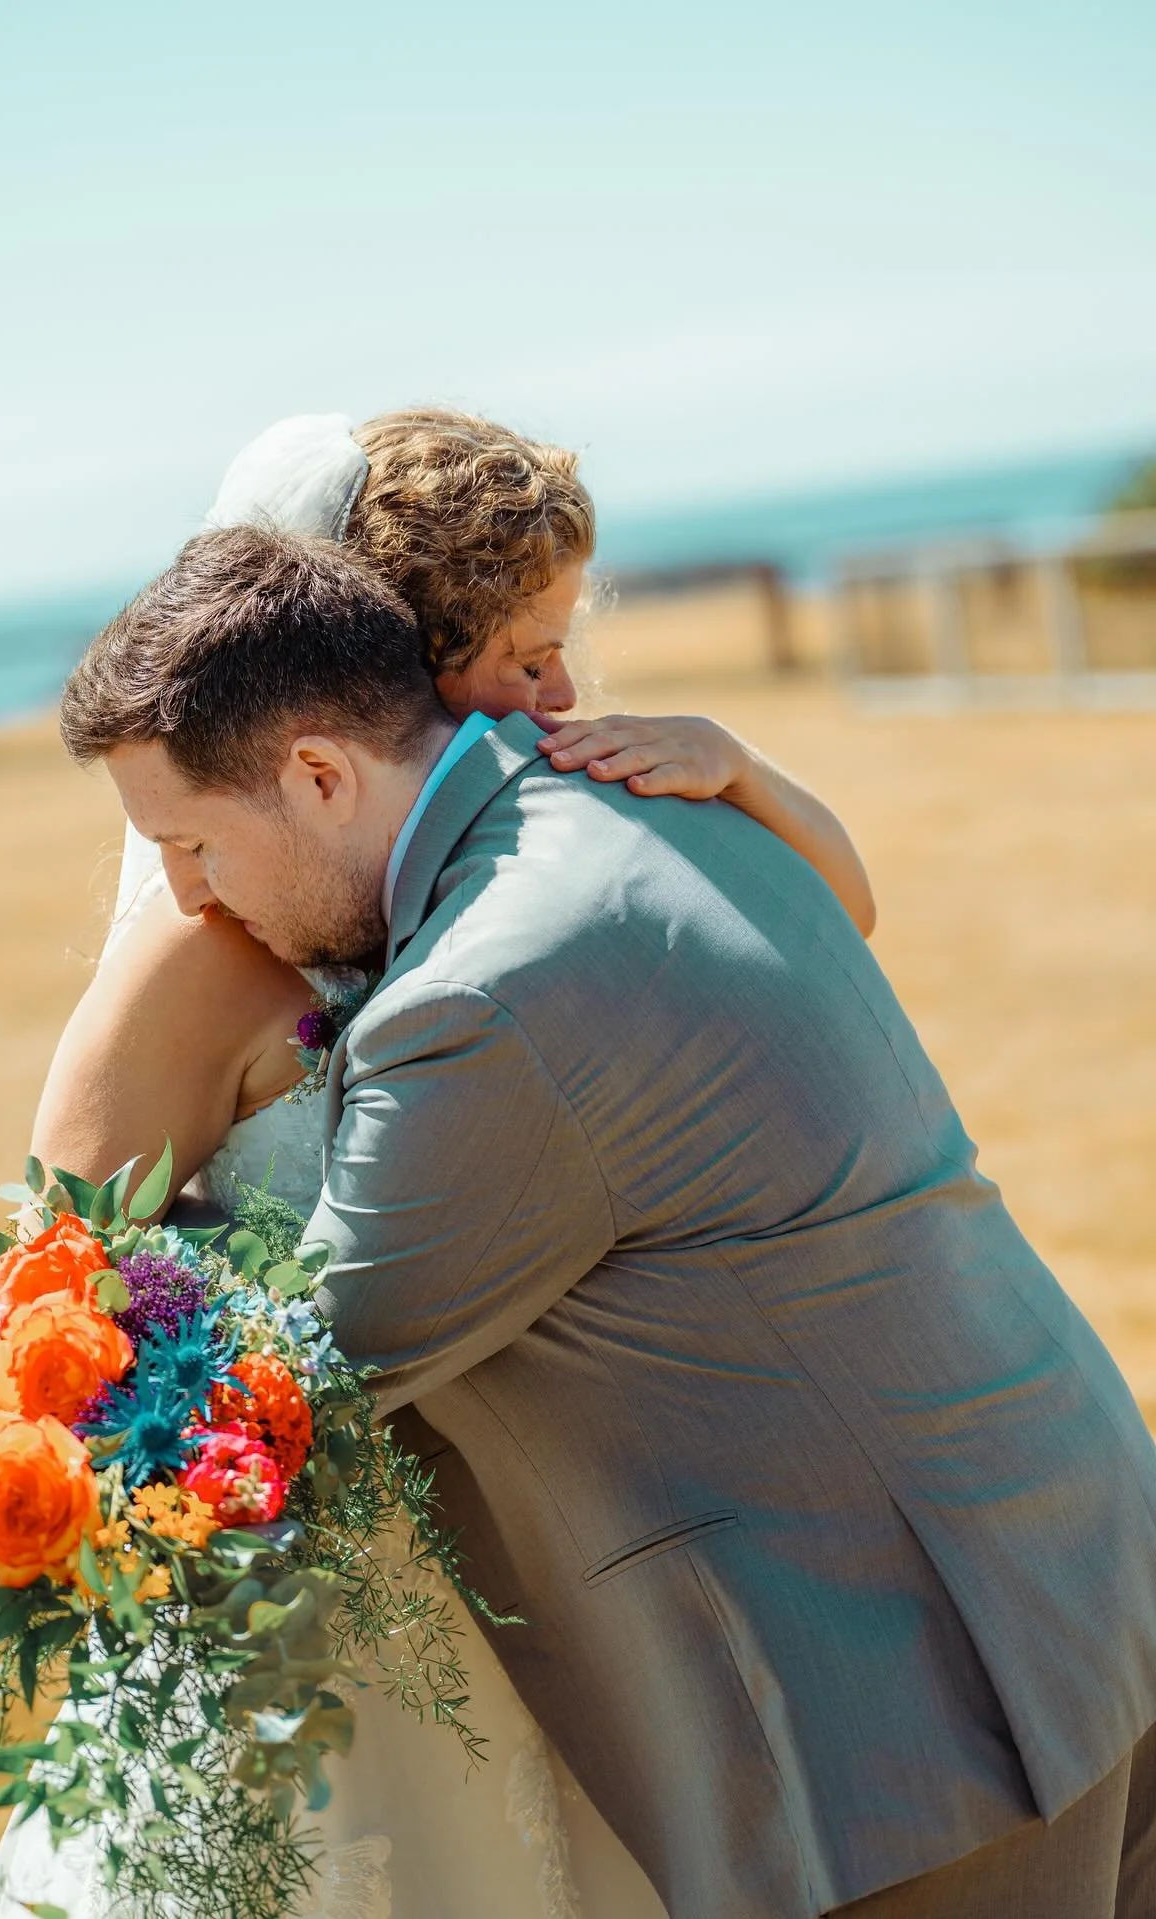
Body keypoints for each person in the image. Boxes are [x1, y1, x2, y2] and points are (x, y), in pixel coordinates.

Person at [62, 521, 1156, 1919]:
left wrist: (62, 1326)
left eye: (191, 843)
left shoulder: (480, 996)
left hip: (917, 1714)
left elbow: (308, 1375)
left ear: (320, 774)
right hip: (1077, 1562)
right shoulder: (660, 796)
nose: (189, 899)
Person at [32, 411, 874, 1216]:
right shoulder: (212, 940)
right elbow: (61, 1259)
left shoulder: (545, 829)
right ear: (403, 672)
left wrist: (737, 765)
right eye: (530, 660)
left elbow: (840, 918)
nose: (566, 694)